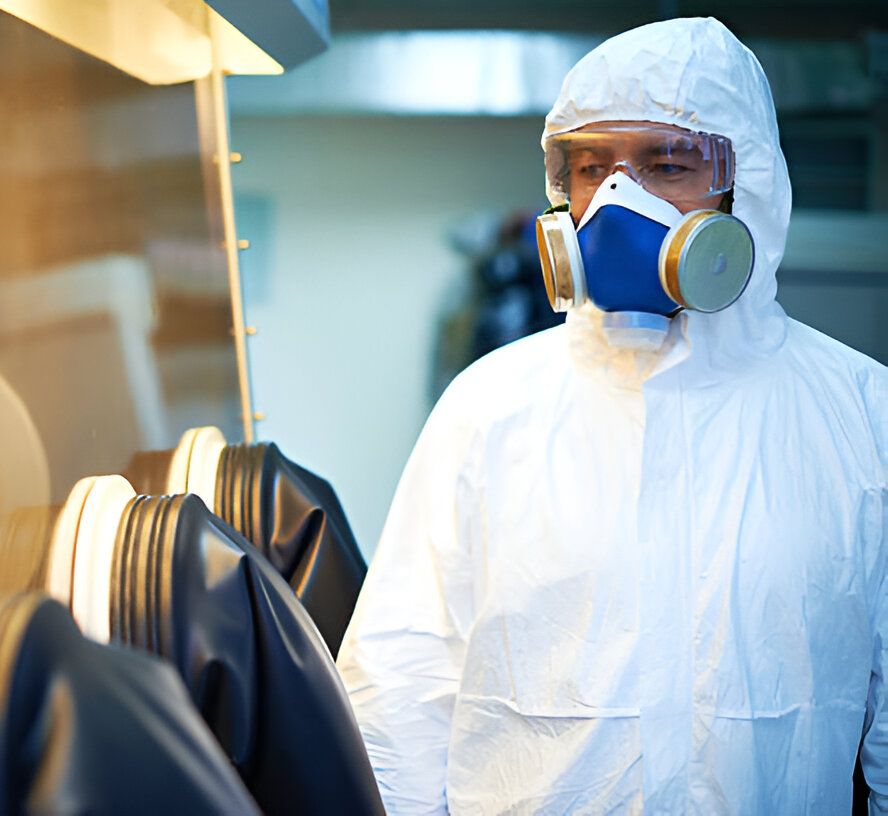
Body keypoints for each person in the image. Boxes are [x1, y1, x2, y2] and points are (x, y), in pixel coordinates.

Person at [336, 17, 885, 814]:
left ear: (746, 183)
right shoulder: (489, 410)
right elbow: (396, 700)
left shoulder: (861, 416)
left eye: (667, 164)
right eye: (593, 167)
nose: (620, 200)